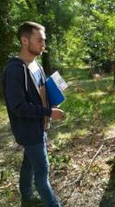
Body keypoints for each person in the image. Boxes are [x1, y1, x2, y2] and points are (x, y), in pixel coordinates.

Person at [2, 21, 64, 207]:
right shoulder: (15, 70)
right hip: (29, 129)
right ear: (24, 40)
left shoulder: (36, 65)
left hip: (40, 125)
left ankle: (27, 198)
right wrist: (48, 112)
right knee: (42, 173)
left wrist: (54, 98)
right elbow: (18, 106)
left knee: (29, 163)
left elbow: (41, 92)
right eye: (39, 40)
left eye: (43, 40)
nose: (43, 44)